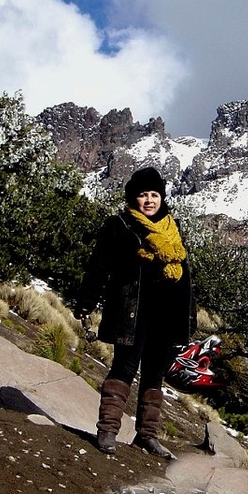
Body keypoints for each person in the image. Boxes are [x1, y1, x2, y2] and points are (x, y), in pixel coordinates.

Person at [73, 166, 195, 458]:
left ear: (162, 198)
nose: (149, 200)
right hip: (132, 311)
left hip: (165, 316)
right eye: (143, 195)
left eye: (154, 194)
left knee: (155, 375)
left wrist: (188, 319)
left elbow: (185, 278)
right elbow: (98, 266)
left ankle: (147, 436)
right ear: (133, 198)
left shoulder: (171, 228)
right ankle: (107, 430)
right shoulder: (119, 225)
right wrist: (86, 301)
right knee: (124, 368)